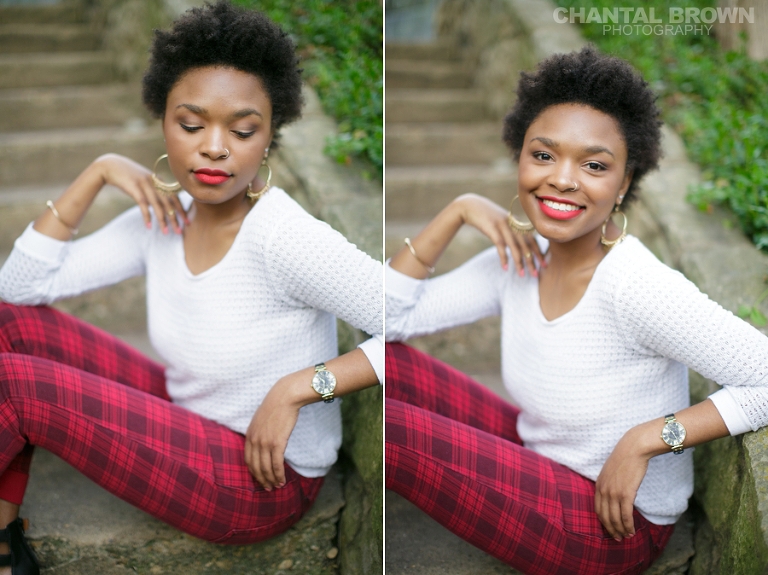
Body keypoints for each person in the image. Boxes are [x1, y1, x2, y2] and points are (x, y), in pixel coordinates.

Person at [0, 2, 382, 574]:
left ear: (269, 136)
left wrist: (300, 388)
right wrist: (99, 172)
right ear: (164, 122)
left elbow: (410, 319)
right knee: (9, 324)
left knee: (14, 383)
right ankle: (4, 539)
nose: (215, 147)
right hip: (187, 414)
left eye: (243, 130)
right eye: (192, 124)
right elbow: (18, 287)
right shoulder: (166, 214)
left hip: (263, 479)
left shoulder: (284, 236)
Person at [384, 46, 768, 575]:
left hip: (614, 522)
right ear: (520, 157)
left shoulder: (635, 285)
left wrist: (645, 440)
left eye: (594, 165)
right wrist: (458, 211)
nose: (562, 179)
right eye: (543, 155)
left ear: (624, 183)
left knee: (392, 428)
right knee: (382, 364)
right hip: (539, 455)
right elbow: (388, 318)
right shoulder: (521, 258)